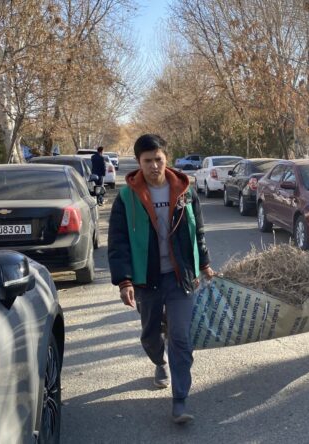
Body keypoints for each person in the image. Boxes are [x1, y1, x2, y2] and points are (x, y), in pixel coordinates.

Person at [108, 134, 215, 424]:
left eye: (158, 159)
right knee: (150, 335)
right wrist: (124, 281)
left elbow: (198, 230)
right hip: (147, 279)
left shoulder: (184, 189)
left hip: (180, 278)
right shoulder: (127, 197)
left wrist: (204, 264)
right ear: (138, 162)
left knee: (180, 337)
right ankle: (159, 361)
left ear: (166, 159)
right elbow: (117, 242)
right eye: (148, 161)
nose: (154, 166)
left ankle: (180, 400)